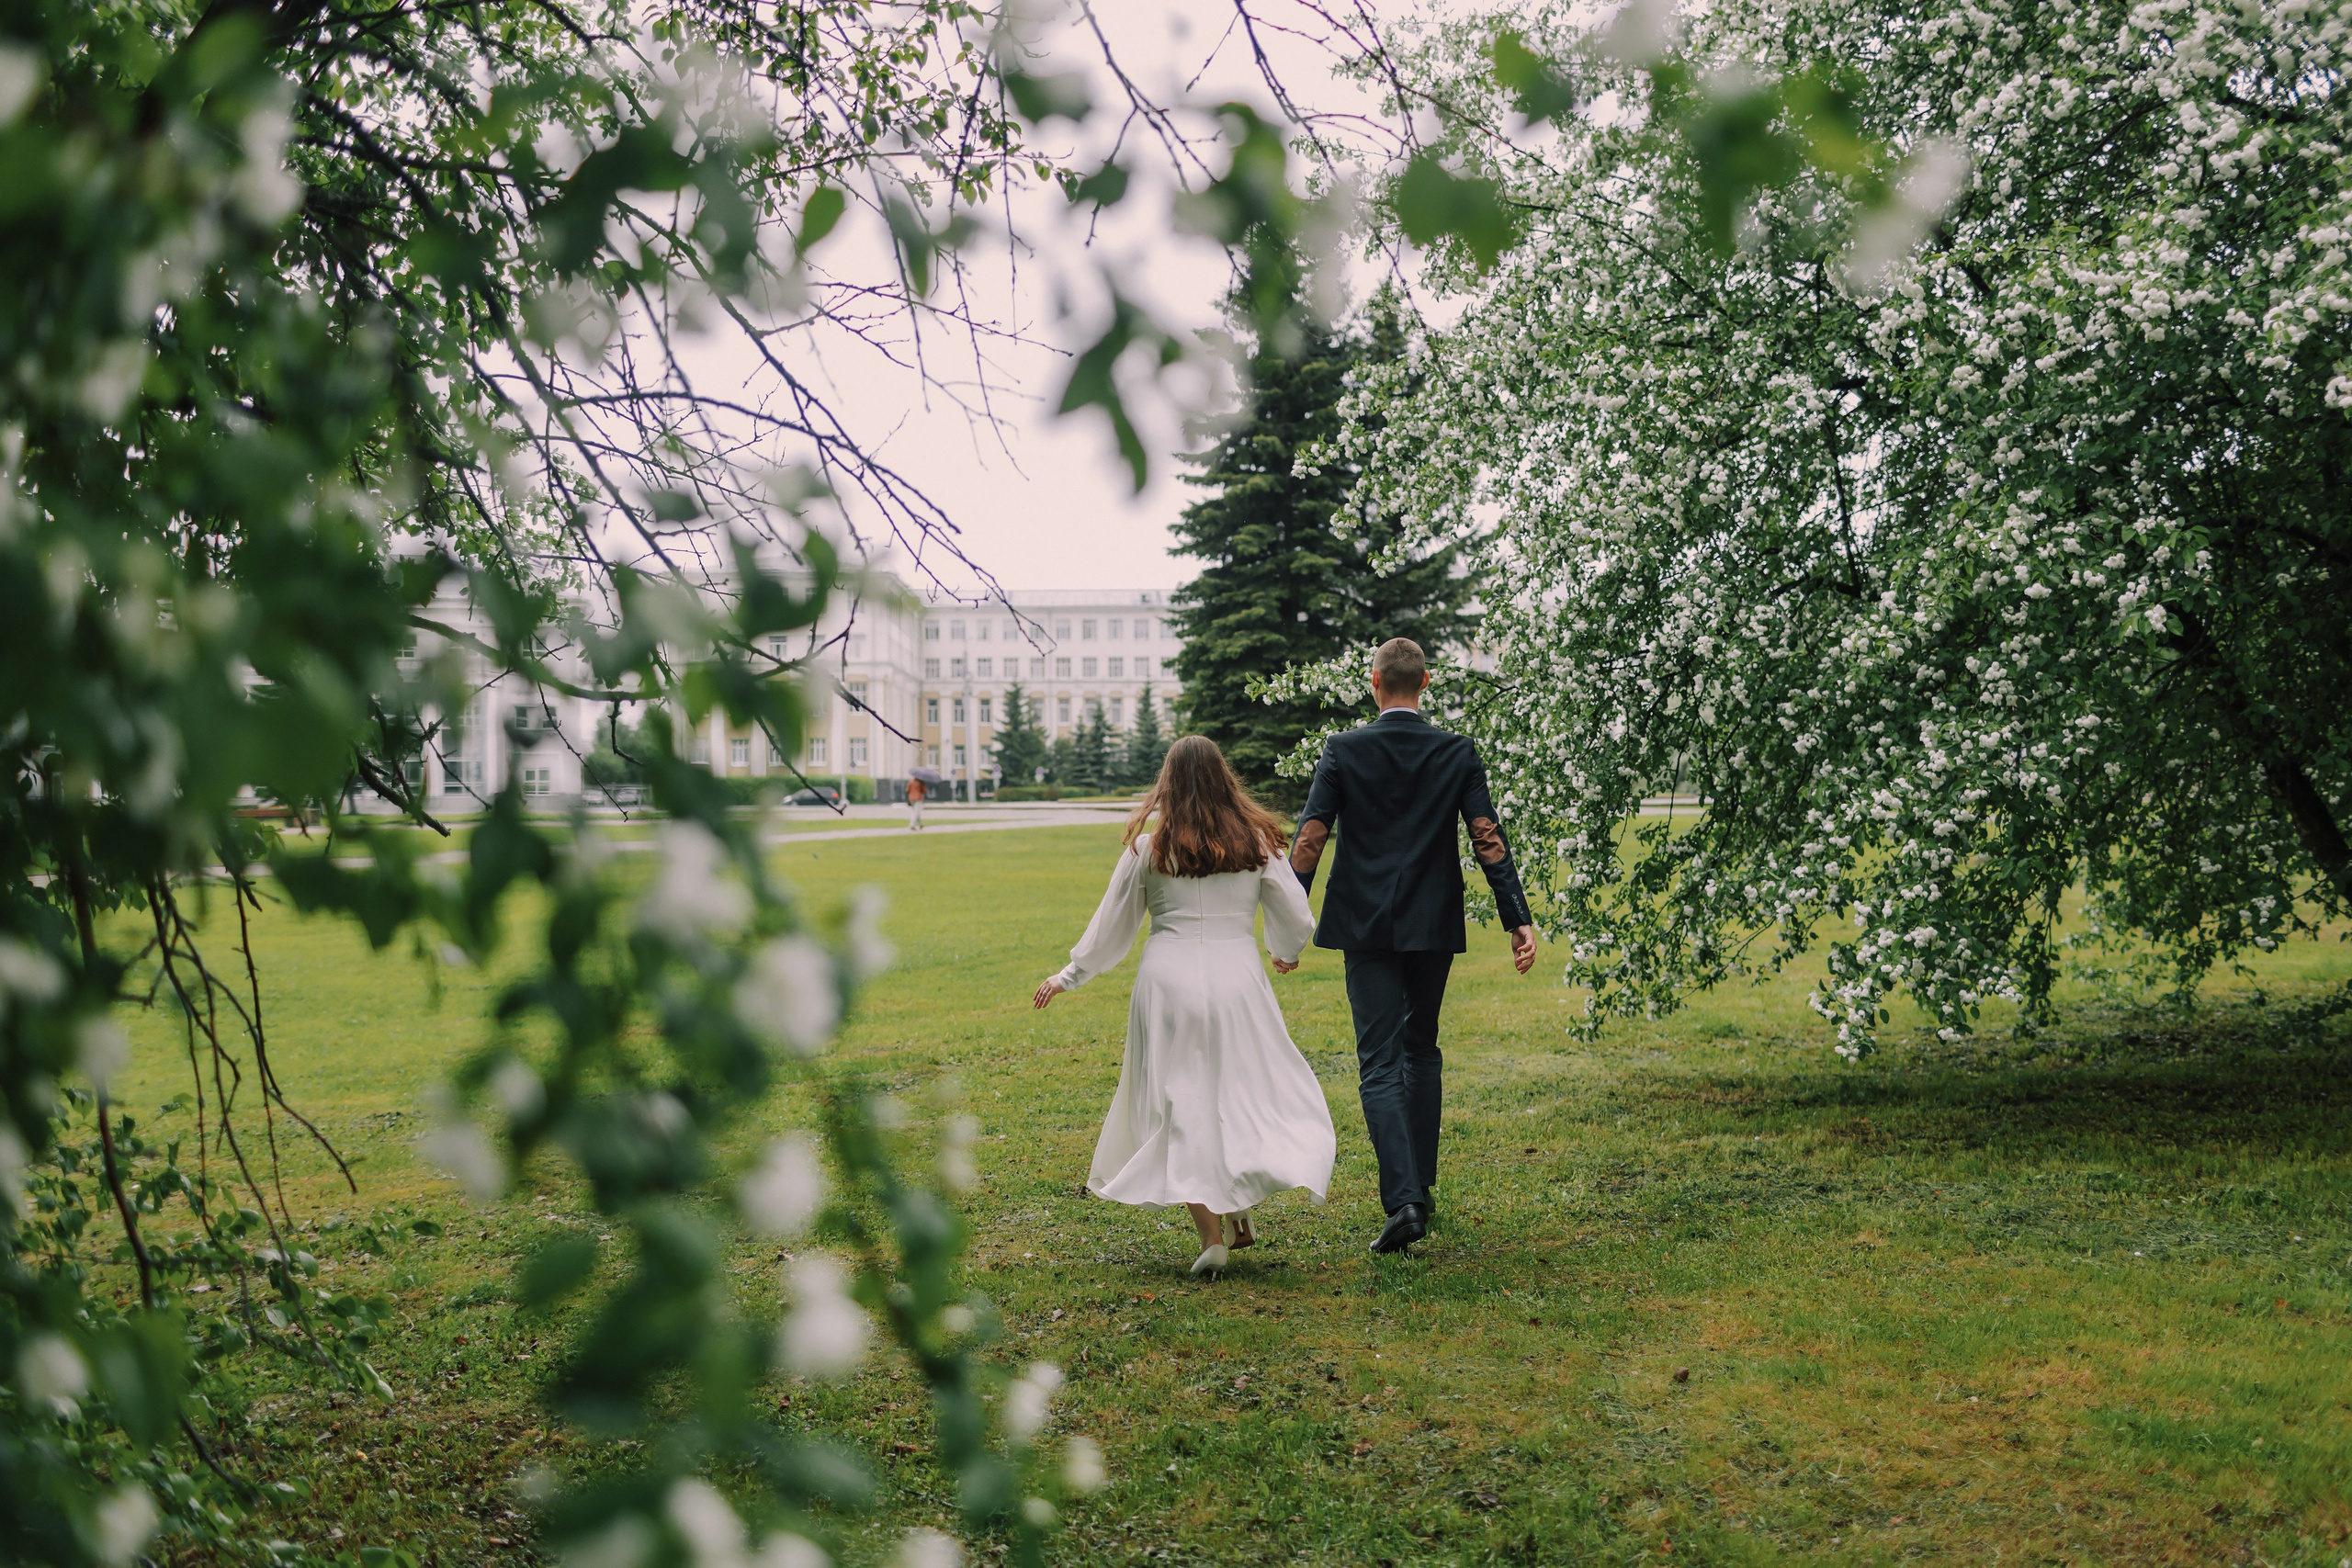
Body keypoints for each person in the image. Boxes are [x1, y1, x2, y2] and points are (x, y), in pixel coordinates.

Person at [1032, 736, 1333, 1276]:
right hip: (1237, 978)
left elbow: (1111, 928)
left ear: (1167, 784)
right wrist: (1282, 952)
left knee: (1180, 1103)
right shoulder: (1258, 843)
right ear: (1224, 780)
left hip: (1167, 985)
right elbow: (1296, 914)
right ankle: (1232, 1207)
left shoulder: (1150, 849)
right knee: (1234, 1091)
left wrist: (1069, 975)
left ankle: (1213, 1233)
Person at [1286, 637, 1539, 1256]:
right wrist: (1518, 919)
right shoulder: (1456, 751)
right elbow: (1488, 837)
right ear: (1424, 681)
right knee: (1421, 1048)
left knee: (1377, 1059)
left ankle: (1404, 1200)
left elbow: (1312, 837)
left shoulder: (1343, 749)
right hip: (1431, 920)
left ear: (1374, 682)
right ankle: (1419, 1185)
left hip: (1365, 923)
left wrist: (1288, 919)